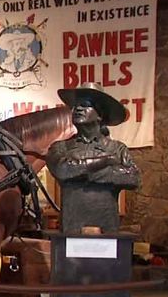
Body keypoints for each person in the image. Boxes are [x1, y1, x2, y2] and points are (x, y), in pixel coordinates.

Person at [46, 82, 140, 233]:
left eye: (85, 105)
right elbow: (63, 170)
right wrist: (105, 161)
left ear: (100, 115)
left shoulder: (117, 148)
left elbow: (132, 178)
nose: (78, 109)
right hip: (71, 230)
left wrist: (83, 173)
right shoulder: (60, 147)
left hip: (107, 230)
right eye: (75, 106)